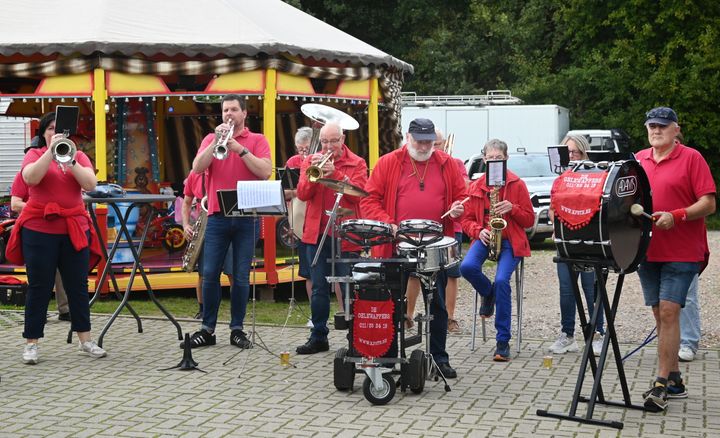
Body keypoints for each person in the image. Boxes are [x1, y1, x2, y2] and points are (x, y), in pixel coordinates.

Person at [361, 118, 466, 378]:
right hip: (395, 243)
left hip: (435, 244)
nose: (424, 146)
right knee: (391, 303)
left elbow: (463, 196)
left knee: (438, 304)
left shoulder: (447, 164)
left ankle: (439, 358)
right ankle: (387, 355)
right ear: (408, 137)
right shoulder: (388, 162)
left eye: (428, 141)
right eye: (419, 141)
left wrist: (459, 208)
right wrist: (389, 224)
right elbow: (369, 199)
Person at [5, 111, 105, 364]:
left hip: (72, 229)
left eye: (60, 130)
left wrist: (70, 161)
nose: (56, 133)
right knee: (39, 286)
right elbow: (30, 178)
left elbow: (91, 185)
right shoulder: (34, 155)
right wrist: (51, 151)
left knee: (78, 287)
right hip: (39, 230)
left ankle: (86, 340)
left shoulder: (79, 156)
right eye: (50, 129)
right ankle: (32, 343)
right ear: (43, 133)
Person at [635, 106, 715, 412]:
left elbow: (708, 203)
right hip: (647, 250)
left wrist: (677, 215)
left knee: (669, 312)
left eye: (663, 126)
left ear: (675, 129)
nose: (656, 130)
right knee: (660, 314)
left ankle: (660, 384)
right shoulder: (638, 160)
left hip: (683, 250)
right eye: (652, 125)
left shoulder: (692, 158)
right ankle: (676, 379)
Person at [184, 94, 272, 349]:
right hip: (216, 216)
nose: (229, 114)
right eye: (225, 110)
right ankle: (207, 329)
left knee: (241, 276)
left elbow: (265, 171)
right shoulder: (211, 139)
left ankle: (237, 329)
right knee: (210, 274)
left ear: (245, 113)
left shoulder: (257, 140)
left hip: (247, 218)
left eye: (234, 109)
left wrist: (239, 149)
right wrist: (216, 143)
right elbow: (197, 167)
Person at [295, 122, 367, 354]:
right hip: (317, 233)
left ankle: (356, 337)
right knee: (318, 288)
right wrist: (312, 175)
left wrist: (335, 174)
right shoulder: (311, 160)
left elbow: (358, 195)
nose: (328, 146)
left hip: (345, 234)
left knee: (349, 287)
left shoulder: (357, 163)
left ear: (343, 139)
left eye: (333, 141)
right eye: (324, 141)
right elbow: (303, 194)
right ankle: (318, 336)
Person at [459, 139, 534, 361]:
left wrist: (513, 208)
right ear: (484, 159)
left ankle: (502, 341)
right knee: (467, 267)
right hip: (486, 236)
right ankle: (488, 293)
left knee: (502, 281)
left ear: (506, 159)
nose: (493, 161)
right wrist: (477, 230)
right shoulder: (476, 186)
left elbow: (529, 220)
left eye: (498, 158)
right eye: (490, 158)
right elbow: (466, 220)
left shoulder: (517, 184)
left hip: (511, 239)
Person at [404, 129, 468, 334]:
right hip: (419, 232)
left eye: (437, 143)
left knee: (450, 274)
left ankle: (449, 317)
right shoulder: (414, 162)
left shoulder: (453, 163)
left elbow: (464, 189)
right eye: (435, 144)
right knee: (414, 273)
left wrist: (457, 204)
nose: (435, 147)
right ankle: (408, 315)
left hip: (449, 230)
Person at [548, 134, 605, 356]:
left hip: (587, 241)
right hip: (565, 241)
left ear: (583, 153)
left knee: (591, 288)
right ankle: (567, 335)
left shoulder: (594, 175)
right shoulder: (560, 178)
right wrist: (559, 222)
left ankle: (598, 334)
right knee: (566, 289)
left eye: (576, 152)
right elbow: (553, 209)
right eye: (568, 152)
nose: (571, 156)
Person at [10, 171, 71, 322]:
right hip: (35, 228)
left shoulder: (58, 175)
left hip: (58, 228)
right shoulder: (23, 176)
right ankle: (38, 312)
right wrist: (43, 210)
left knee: (63, 270)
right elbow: (15, 204)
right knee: (39, 272)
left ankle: (66, 310)